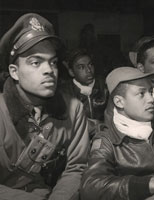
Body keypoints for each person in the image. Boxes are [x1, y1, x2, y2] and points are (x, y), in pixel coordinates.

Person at [0, 13, 89, 200]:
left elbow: (76, 167)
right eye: (36, 62)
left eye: (53, 62)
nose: (49, 70)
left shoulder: (73, 109)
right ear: (14, 72)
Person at [80, 67, 154, 200]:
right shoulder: (107, 140)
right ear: (119, 102)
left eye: (150, 91)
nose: (151, 99)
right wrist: (151, 184)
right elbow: (91, 187)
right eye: (141, 94)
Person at [62, 48, 108, 138]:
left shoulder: (105, 87)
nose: (89, 70)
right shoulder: (64, 92)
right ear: (71, 72)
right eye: (81, 67)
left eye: (90, 65)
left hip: (104, 138)